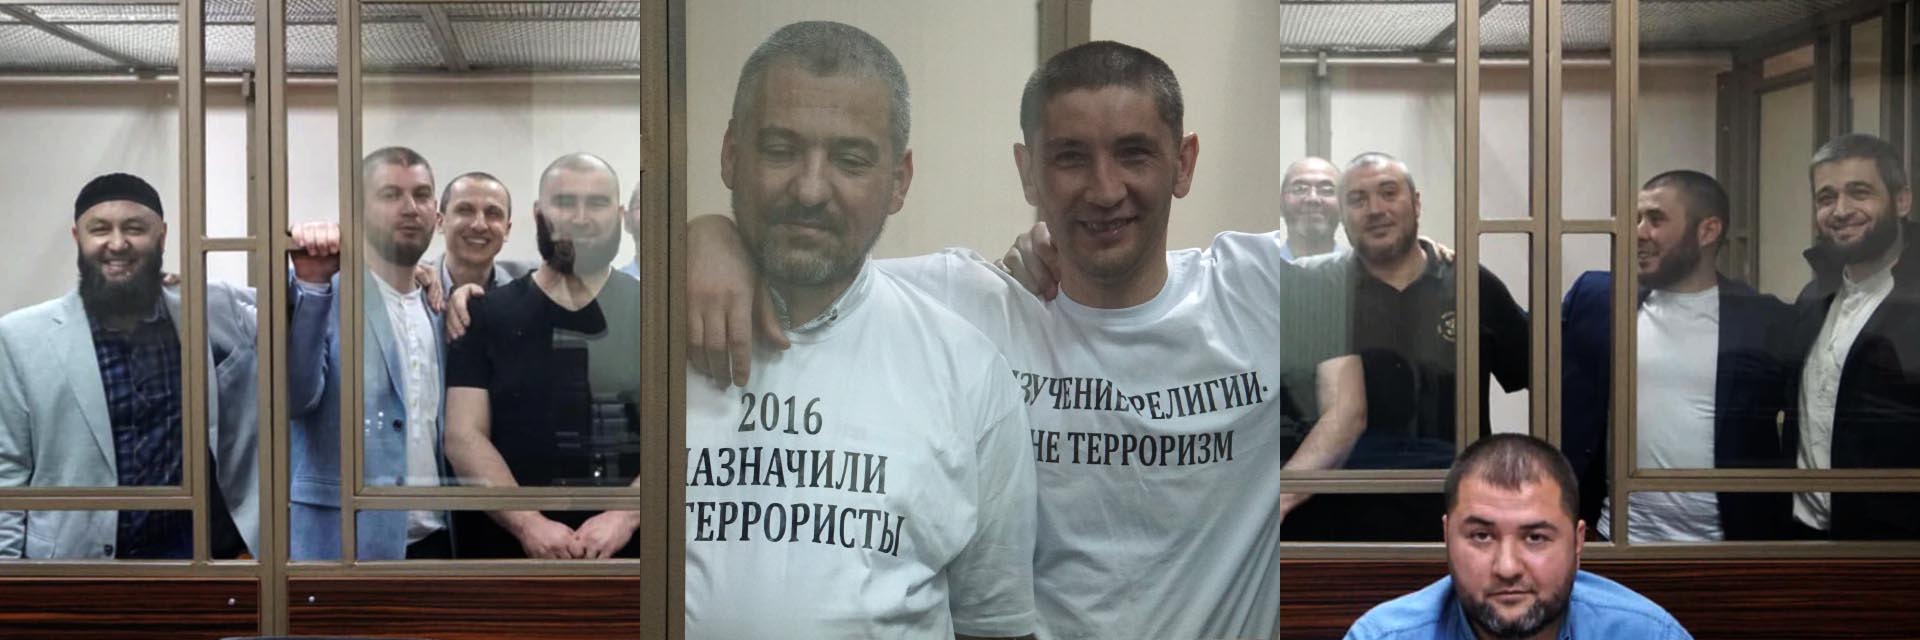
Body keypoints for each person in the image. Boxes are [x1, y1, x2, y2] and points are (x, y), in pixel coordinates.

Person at [681, 37, 1310, 639]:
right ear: (1028, 172)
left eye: (1134, 153)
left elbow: (1358, 262)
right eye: (1069, 157)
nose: (1104, 189)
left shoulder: (1250, 293)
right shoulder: (965, 302)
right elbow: (819, 270)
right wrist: (707, 238)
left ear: (1184, 162)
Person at [675, 21, 1038, 639]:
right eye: (780, 149)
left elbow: (995, 625)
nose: (810, 189)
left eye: (850, 160)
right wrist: (691, 239)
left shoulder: (968, 371)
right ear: (732, 154)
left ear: (899, 180)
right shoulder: (662, 337)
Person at [0, 173, 336, 559]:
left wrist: (316, 279)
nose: (117, 243)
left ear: (162, 236)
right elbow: (8, 469)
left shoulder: (215, 308)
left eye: (134, 228)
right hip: (76, 568)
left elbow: (298, 389)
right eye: (100, 229)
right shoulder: (20, 337)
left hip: (201, 563)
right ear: (78, 238)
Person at [1284, 152, 1531, 542]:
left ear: (1416, 204)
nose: (1375, 209)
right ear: (1343, 217)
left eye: (1388, 193)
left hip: (1450, 515)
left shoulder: (1470, 285)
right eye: (1358, 199)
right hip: (1336, 517)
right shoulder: (1320, 289)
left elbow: (1544, 376)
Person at [1561, 170, 1792, 542]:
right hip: (1614, 538)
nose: (1638, 232)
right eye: (1636, 219)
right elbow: (1525, 351)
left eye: (1655, 219)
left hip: (1729, 546)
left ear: (1708, 231)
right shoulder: (1599, 301)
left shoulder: (1765, 320)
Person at [443, 153, 643, 560]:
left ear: (620, 215)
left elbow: (684, 433)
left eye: (597, 203)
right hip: (509, 557)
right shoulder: (484, 314)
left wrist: (625, 516)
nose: (581, 218)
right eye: (565, 202)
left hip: (633, 557)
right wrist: (528, 523)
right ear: (538, 213)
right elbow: (463, 435)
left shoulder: (656, 312)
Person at [1345, 434, 1692, 640]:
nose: (1507, 568)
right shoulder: (1383, 636)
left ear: (1577, 543)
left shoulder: (1647, 634)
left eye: (1536, 538)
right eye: (1482, 536)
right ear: (1447, 537)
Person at [289, 146, 452, 561]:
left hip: (437, 540)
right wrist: (311, 286)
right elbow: (294, 397)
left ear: (437, 213)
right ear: (357, 211)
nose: (410, 208)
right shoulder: (320, 292)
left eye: (421, 195)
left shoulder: (440, 304)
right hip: (343, 543)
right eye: (390, 194)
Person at [1783, 132, 1920, 540]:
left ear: (1902, 201)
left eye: (1859, 192)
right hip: (1804, 535)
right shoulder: (1812, 298)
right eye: (1826, 198)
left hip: (1893, 549)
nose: (1840, 210)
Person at [432, 171, 531, 296]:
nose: (479, 225)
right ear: (440, 222)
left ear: (507, 230)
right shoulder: (414, 287)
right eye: (465, 211)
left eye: (493, 213)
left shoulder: (526, 292)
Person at [1280, 156, 1347, 262]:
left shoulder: (1363, 270)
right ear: (1281, 203)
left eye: (1327, 190)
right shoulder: (1262, 269)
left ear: (1344, 206)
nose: (1313, 198)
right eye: (1300, 189)